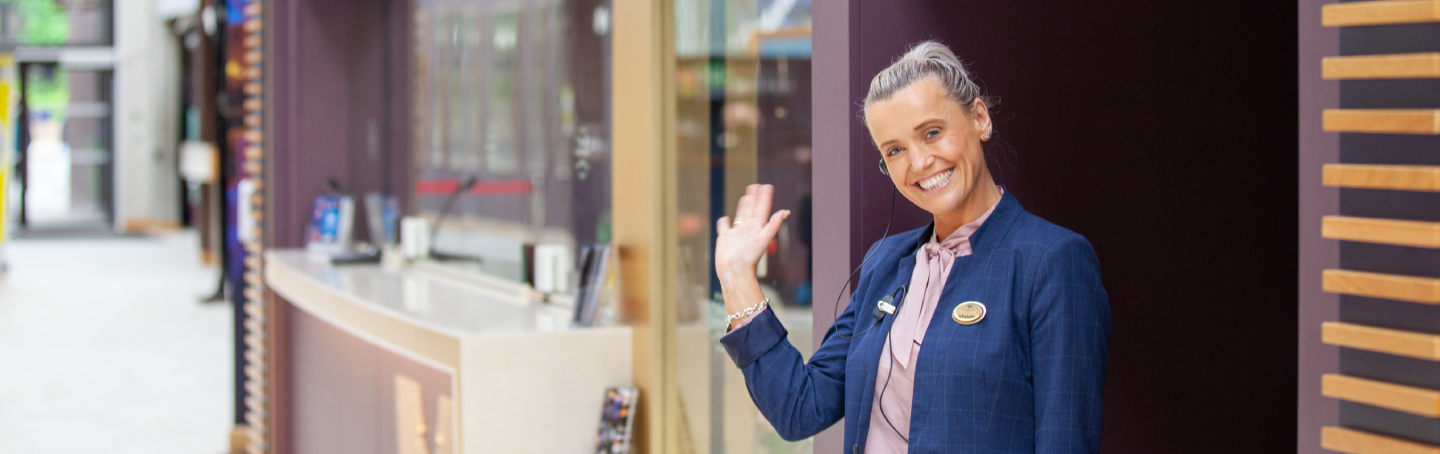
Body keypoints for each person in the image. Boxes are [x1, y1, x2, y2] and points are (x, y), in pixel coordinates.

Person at [713, 41, 1111, 453]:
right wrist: (737, 278)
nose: (919, 163)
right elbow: (801, 408)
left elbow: (1066, 442)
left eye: (932, 133)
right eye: (896, 150)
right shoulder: (884, 263)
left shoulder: (1052, 262)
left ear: (979, 118)